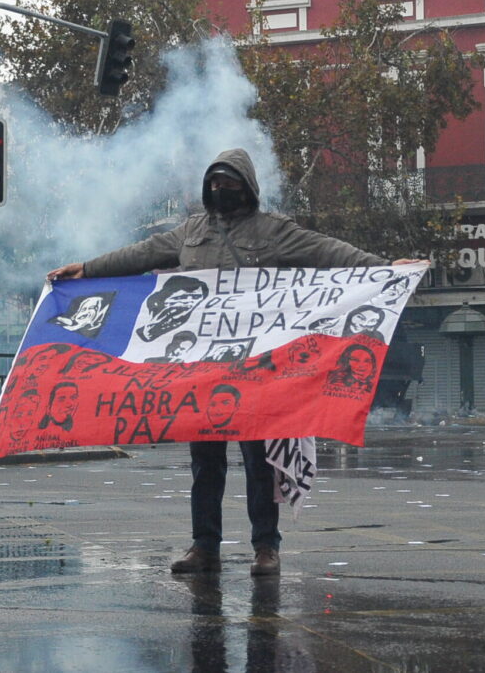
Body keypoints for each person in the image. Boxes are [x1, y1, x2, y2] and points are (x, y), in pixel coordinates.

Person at [48, 148, 417, 576]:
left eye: (229, 182)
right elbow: (141, 254)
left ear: (248, 186)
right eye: (215, 183)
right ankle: (204, 547)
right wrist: (88, 269)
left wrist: (386, 269)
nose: (221, 189)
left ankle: (266, 548)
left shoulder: (275, 231)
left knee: (260, 462)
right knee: (205, 463)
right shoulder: (189, 232)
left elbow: (328, 251)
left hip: (257, 371)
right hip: (201, 369)